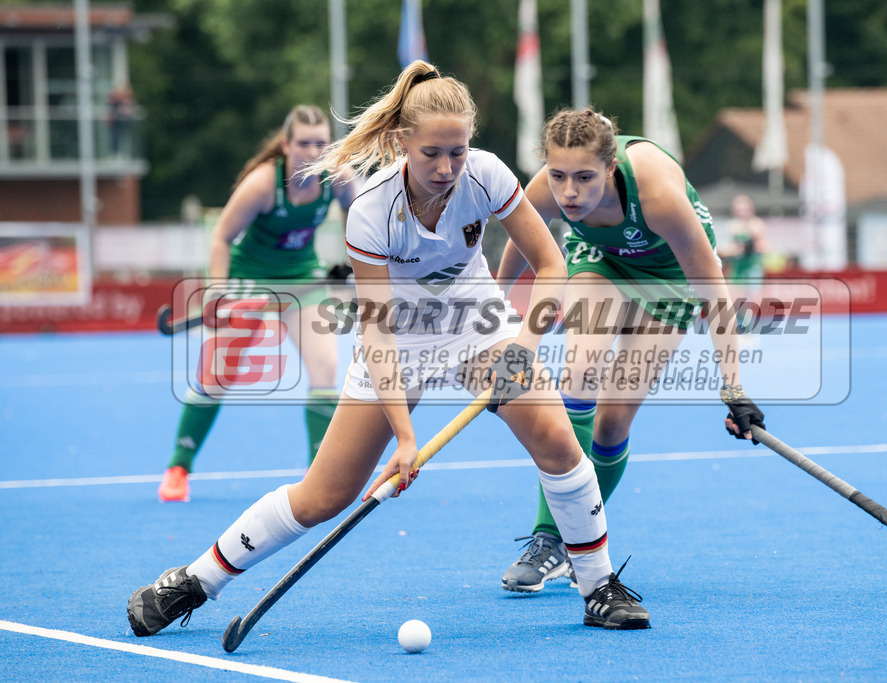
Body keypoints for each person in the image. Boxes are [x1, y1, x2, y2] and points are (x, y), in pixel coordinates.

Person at [129, 62, 650, 637]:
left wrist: (523, 346)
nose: (447, 168)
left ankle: (597, 585)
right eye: (432, 153)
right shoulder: (370, 210)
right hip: (398, 334)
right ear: (403, 141)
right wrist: (404, 438)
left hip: (474, 317)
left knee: (556, 440)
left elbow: (551, 264)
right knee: (324, 496)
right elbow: (376, 335)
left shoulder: (488, 175)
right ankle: (195, 581)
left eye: (457, 151)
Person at [496, 108, 765, 593]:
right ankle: (551, 541)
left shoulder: (658, 197)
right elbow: (523, 242)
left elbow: (715, 293)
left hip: (670, 281)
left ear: (611, 166)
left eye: (584, 177)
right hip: (598, 262)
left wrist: (734, 388)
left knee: (613, 422)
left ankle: (577, 532)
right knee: (578, 373)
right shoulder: (544, 190)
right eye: (558, 176)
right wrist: (496, 310)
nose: (570, 192)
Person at [158, 104, 359, 503]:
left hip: (303, 280)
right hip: (249, 280)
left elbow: (361, 218)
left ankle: (318, 476)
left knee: (326, 368)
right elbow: (221, 238)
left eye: (321, 143)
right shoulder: (263, 183)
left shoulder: (337, 177)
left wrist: (351, 271)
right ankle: (179, 466)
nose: (314, 151)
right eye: (304, 143)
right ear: (286, 145)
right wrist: (218, 292)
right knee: (217, 375)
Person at [718, 194, 769, 336]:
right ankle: (742, 328)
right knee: (731, 301)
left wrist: (750, 248)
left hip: (751, 268)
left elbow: (763, 247)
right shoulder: (732, 226)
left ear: (750, 210)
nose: (741, 212)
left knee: (746, 302)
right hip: (736, 269)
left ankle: (748, 331)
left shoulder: (756, 225)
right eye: (738, 209)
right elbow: (732, 248)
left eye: (743, 209)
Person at [106, 83, 136, 157]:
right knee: (115, 137)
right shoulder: (114, 102)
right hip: (116, 122)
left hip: (123, 122)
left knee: (122, 137)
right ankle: (115, 153)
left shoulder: (124, 101)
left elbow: (130, 110)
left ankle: (120, 153)